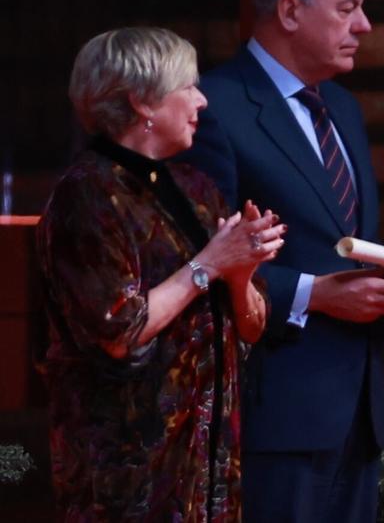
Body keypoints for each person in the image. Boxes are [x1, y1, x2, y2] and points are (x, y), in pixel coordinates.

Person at [180, 0, 384, 522]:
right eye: (348, 8)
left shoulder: (343, 109)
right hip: (272, 412)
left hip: (357, 412)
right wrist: (314, 296)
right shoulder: (212, 107)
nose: (364, 26)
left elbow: (343, 248)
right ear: (290, 11)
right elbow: (197, 259)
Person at [37, 27, 284, 521]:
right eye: (187, 86)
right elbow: (119, 331)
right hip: (128, 472)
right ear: (142, 103)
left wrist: (240, 273)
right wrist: (210, 264)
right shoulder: (88, 195)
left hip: (208, 464)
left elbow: (253, 326)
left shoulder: (195, 186)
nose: (201, 99)